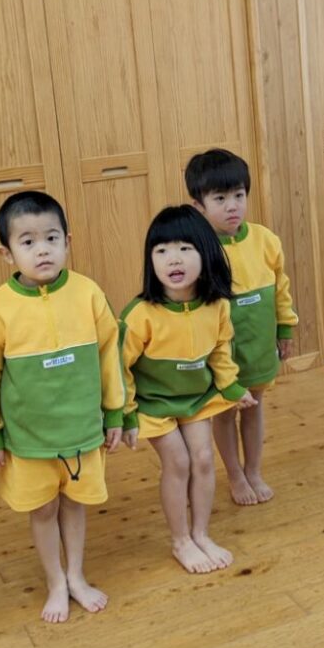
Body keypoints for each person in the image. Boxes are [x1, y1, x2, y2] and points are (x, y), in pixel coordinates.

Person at [0, 191, 129, 625]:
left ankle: (76, 575)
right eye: (28, 242)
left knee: (75, 503)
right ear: (6, 253)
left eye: (51, 238)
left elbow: (110, 355)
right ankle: (55, 581)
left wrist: (116, 412)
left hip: (81, 431)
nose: (42, 250)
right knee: (42, 509)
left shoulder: (88, 293)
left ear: (67, 242)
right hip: (28, 439)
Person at [121, 205, 250, 575]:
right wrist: (124, 414)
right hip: (151, 404)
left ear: (206, 253)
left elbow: (221, 352)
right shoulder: (140, 314)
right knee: (178, 462)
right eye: (161, 250)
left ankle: (200, 534)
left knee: (204, 459)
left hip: (196, 398)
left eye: (184, 248)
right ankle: (180, 541)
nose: (173, 259)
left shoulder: (217, 306)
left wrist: (232, 388)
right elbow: (117, 367)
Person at [185, 149, 297, 504]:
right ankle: (235, 476)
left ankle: (254, 471)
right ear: (199, 206)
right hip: (221, 353)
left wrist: (285, 328)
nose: (232, 206)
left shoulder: (265, 240)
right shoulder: (199, 250)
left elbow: (281, 289)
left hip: (258, 343)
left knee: (255, 404)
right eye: (220, 199)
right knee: (225, 411)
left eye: (238, 195)